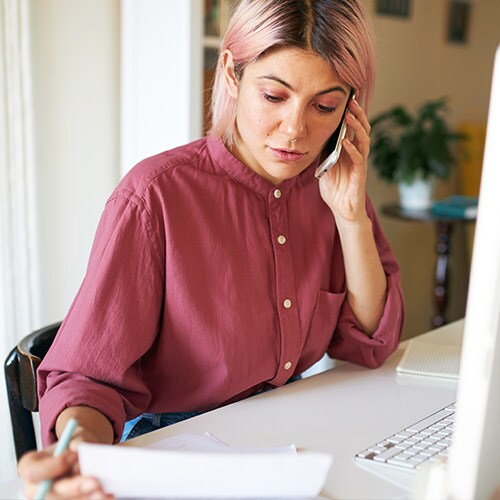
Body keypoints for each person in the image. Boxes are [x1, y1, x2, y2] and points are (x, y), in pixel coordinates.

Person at [18, 0, 405, 498]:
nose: (295, 129)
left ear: (350, 110)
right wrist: (77, 459)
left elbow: (369, 343)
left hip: (277, 440)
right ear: (231, 72)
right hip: (171, 446)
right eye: (273, 95)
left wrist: (351, 219)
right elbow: (88, 378)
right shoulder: (154, 197)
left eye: (324, 106)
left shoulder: (333, 190)